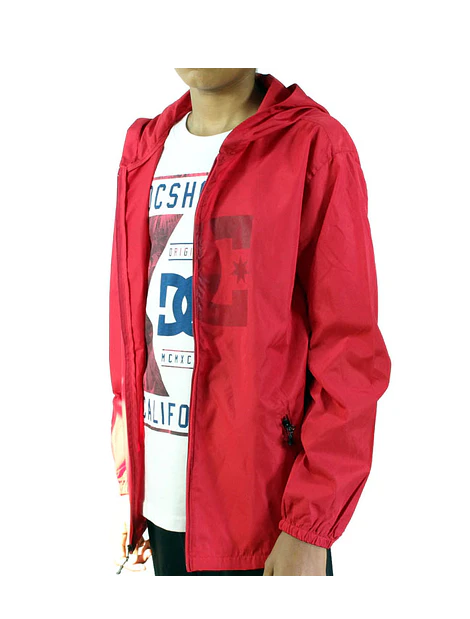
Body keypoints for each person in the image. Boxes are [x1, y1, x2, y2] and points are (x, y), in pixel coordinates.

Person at [109, 64, 392, 577]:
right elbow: (131, 321)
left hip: (265, 521)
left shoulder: (312, 147)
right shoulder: (145, 150)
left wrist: (309, 526)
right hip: (163, 509)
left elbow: (350, 353)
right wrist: (133, 466)